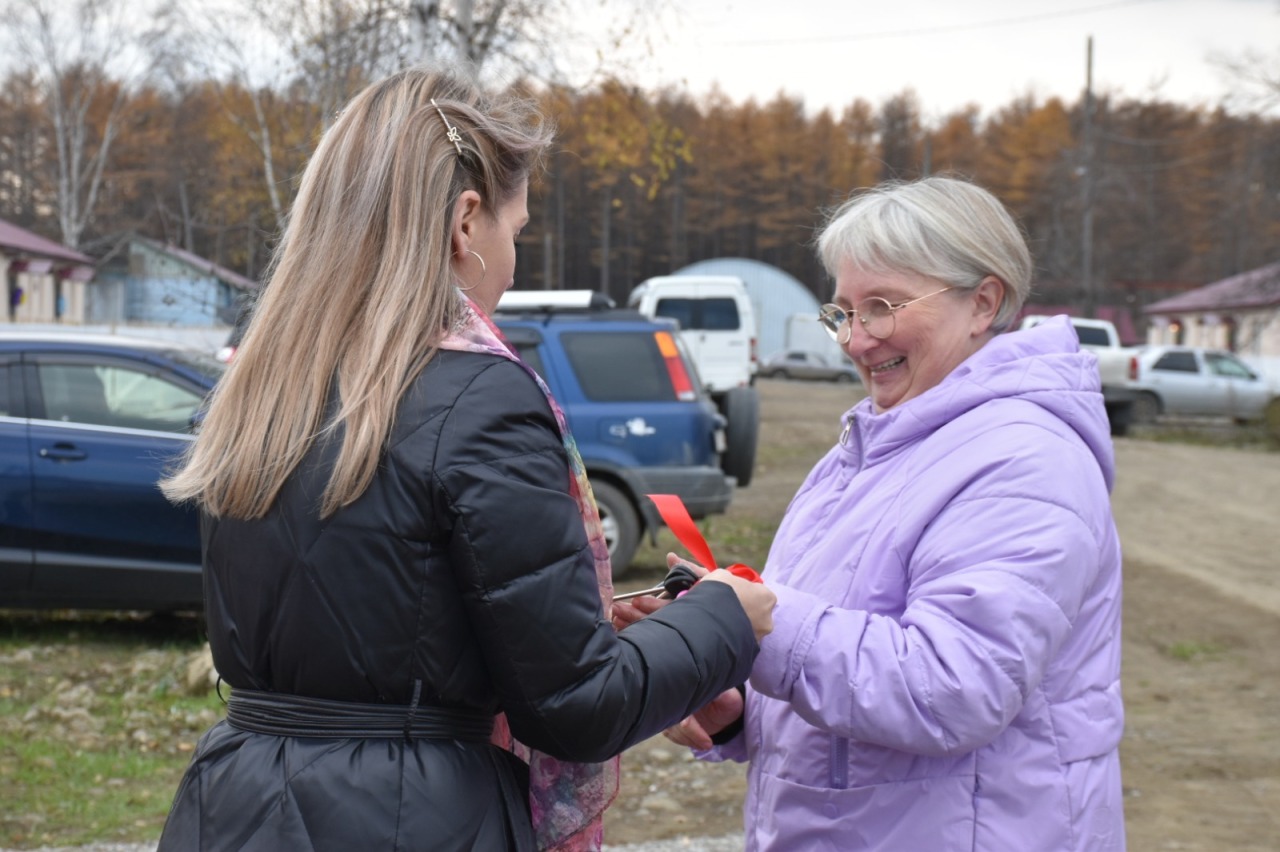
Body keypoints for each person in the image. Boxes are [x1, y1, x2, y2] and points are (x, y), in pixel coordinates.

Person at [156, 66, 775, 852]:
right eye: (516, 231)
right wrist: (724, 616)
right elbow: (578, 707)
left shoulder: (262, 390)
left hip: (235, 805)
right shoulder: (481, 397)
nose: (514, 265)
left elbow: (373, 619)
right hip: (413, 818)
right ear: (464, 222)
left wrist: (579, 625)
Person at [616, 176, 1126, 850]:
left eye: (882, 306)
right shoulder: (871, 448)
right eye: (842, 312)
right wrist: (740, 714)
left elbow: (955, 687)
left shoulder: (1023, 460)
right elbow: (841, 664)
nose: (855, 340)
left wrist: (762, 628)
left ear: (983, 302)